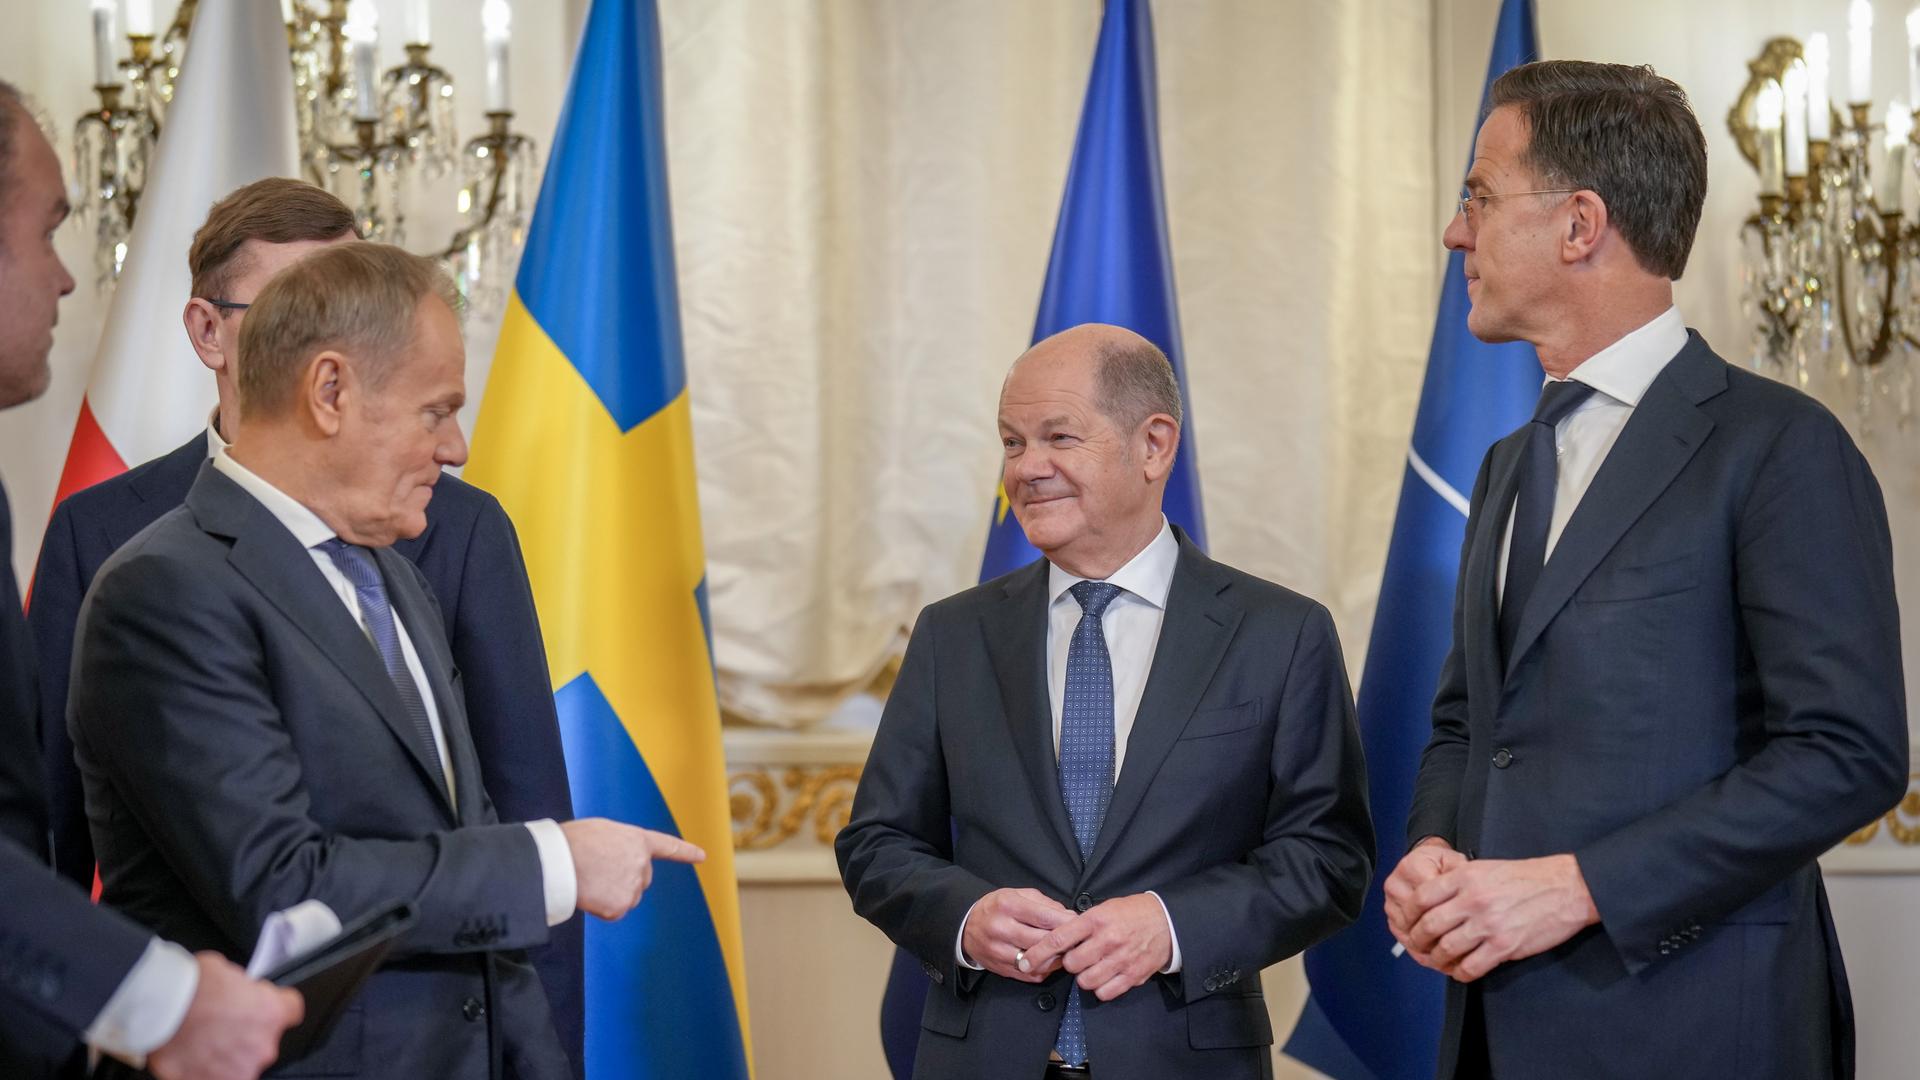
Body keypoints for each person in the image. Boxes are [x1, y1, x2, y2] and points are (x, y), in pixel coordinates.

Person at [1384, 60, 1907, 1080]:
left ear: (1580, 225)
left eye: (1479, 199)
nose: (1457, 235)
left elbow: (1848, 751)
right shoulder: (1505, 465)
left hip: (1699, 1027)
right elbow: (1467, 725)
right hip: (1494, 1031)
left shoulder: (1778, 446)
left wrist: (1580, 886)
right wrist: (1434, 851)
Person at [68, 242, 703, 1080]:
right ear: (329, 392)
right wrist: (554, 862)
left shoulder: (394, 578)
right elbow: (283, 888)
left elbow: (470, 878)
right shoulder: (163, 590)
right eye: (436, 411)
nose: (459, 448)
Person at [837, 323, 1374, 1080]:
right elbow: (877, 844)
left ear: (1154, 445)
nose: (1027, 468)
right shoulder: (952, 634)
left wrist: (1172, 925)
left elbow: (1328, 859)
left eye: (1058, 436)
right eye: (1012, 442)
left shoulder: (1280, 635)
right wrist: (965, 918)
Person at [0, 77, 302, 1080]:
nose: (69, 279)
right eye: (48, 233)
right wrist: (148, 995)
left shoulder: (460, 533)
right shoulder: (106, 532)